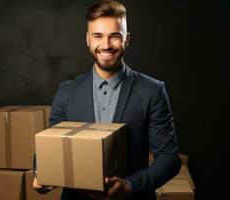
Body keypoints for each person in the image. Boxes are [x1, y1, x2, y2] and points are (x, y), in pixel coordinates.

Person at [33, 0, 181, 199]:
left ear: (127, 39)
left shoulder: (152, 91)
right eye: (98, 36)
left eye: (114, 36)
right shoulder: (67, 92)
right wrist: (39, 172)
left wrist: (129, 185)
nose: (106, 45)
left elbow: (169, 158)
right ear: (88, 40)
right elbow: (49, 148)